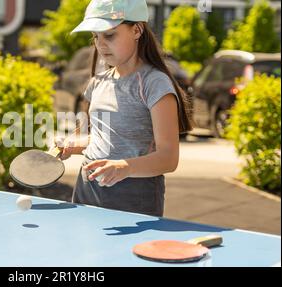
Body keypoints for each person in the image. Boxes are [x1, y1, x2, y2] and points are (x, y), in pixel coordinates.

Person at [56, 0, 192, 217]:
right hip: (86, 193)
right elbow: (106, 139)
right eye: (96, 37)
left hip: (134, 201)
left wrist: (125, 167)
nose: (100, 45)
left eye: (109, 35)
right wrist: (74, 145)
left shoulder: (154, 83)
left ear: (137, 30)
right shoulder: (98, 82)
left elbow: (168, 158)